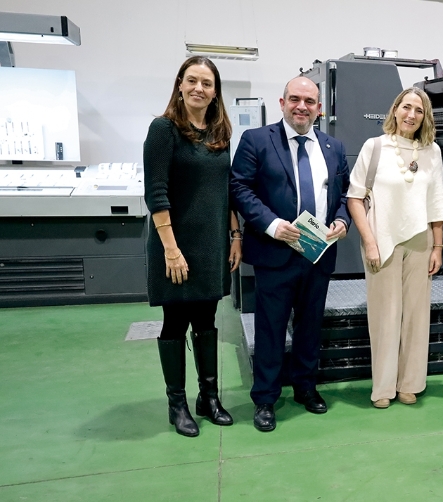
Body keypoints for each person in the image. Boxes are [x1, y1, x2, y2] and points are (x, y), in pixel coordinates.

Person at [230, 76, 350, 432]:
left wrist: (342, 221)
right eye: (295, 99)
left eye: (309, 101)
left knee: (310, 326)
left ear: (319, 108)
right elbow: (238, 186)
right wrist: (271, 224)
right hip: (275, 251)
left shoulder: (333, 147)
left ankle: (305, 387)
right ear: (281, 103)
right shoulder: (257, 141)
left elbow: (344, 196)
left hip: (317, 252)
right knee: (270, 328)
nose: (302, 106)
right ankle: (265, 398)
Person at [143, 56, 240, 437]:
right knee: (175, 321)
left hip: (212, 245)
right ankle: (177, 403)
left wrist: (235, 236)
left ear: (216, 92)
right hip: (175, 247)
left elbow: (225, 191)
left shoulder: (219, 134)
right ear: (180, 85)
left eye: (208, 83)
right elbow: (156, 192)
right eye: (193, 81)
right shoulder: (164, 129)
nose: (200, 88)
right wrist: (170, 248)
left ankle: (209, 397)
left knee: (206, 321)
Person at [347, 88, 443, 409]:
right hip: (382, 242)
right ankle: (382, 388)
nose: (411, 115)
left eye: (419, 111)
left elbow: (436, 203)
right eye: (406, 107)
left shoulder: (431, 152)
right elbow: (354, 198)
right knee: (385, 317)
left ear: (425, 117)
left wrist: (437, 246)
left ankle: (410, 383)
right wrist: (369, 241)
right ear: (394, 110)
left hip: (420, 242)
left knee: (417, 317)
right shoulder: (374, 147)